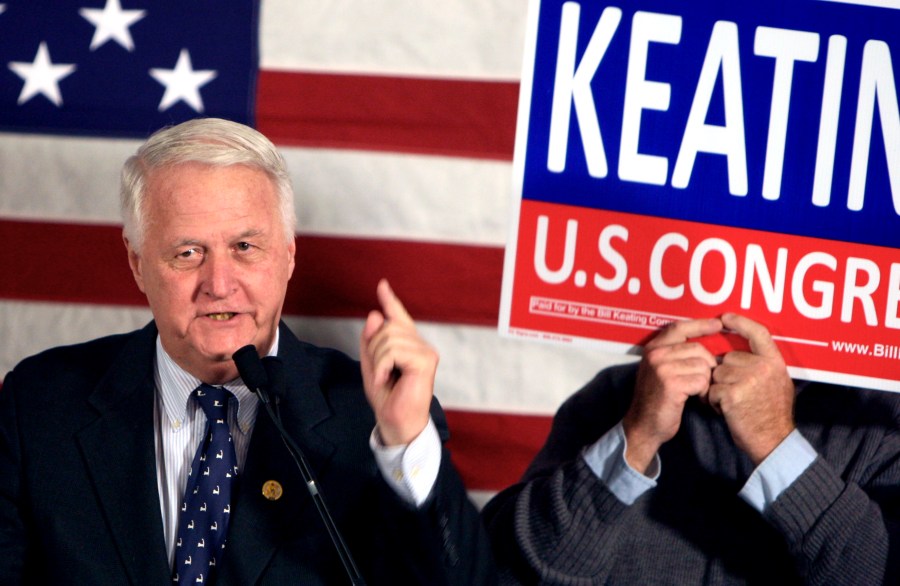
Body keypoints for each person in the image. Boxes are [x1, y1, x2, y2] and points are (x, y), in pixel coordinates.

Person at [0, 118, 497, 585]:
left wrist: (405, 439)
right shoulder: (39, 405)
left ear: (288, 255)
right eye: (187, 252)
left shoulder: (373, 416)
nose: (219, 284)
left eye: (245, 247)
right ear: (137, 264)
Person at [482, 313, 900, 585]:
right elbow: (508, 571)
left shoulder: (880, 423)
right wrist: (637, 436)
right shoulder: (619, 396)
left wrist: (777, 443)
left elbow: (876, 574)